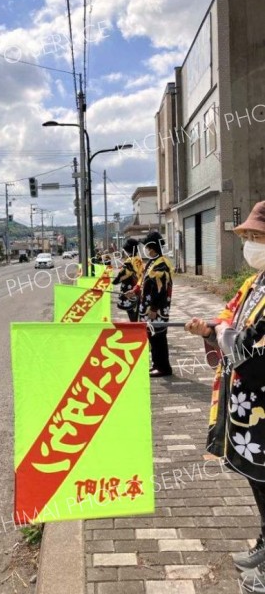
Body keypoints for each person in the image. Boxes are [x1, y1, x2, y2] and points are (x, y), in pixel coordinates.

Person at [185, 201, 265, 593]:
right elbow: (229, 323)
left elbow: (249, 342)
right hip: (250, 408)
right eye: (248, 237)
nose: (251, 245)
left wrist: (225, 336)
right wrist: (207, 330)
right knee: (258, 479)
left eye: (258, 237)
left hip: (261, 402)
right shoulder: (255, 284)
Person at [127, 231, 173, 377]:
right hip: (146, 308)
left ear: (153, 248)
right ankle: (156, 364)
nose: (146, 250)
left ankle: (163, 367)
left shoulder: (161, 265)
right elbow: (143, 281)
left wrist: (154, 307)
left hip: (156, 309)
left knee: (158, 337)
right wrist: (134, 291)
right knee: (152, 336)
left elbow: (162, 290)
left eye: (148, 247)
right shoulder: (152, 262)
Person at [112, 238, 143, 322]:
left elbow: (122, 274)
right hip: (137, 287)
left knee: (131, 311)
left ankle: (134, 329)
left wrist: (115, 281)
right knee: (136, 311)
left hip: (129, 290)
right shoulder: (139, 259)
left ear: (128, 251)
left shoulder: (129, 261)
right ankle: (136, 327)